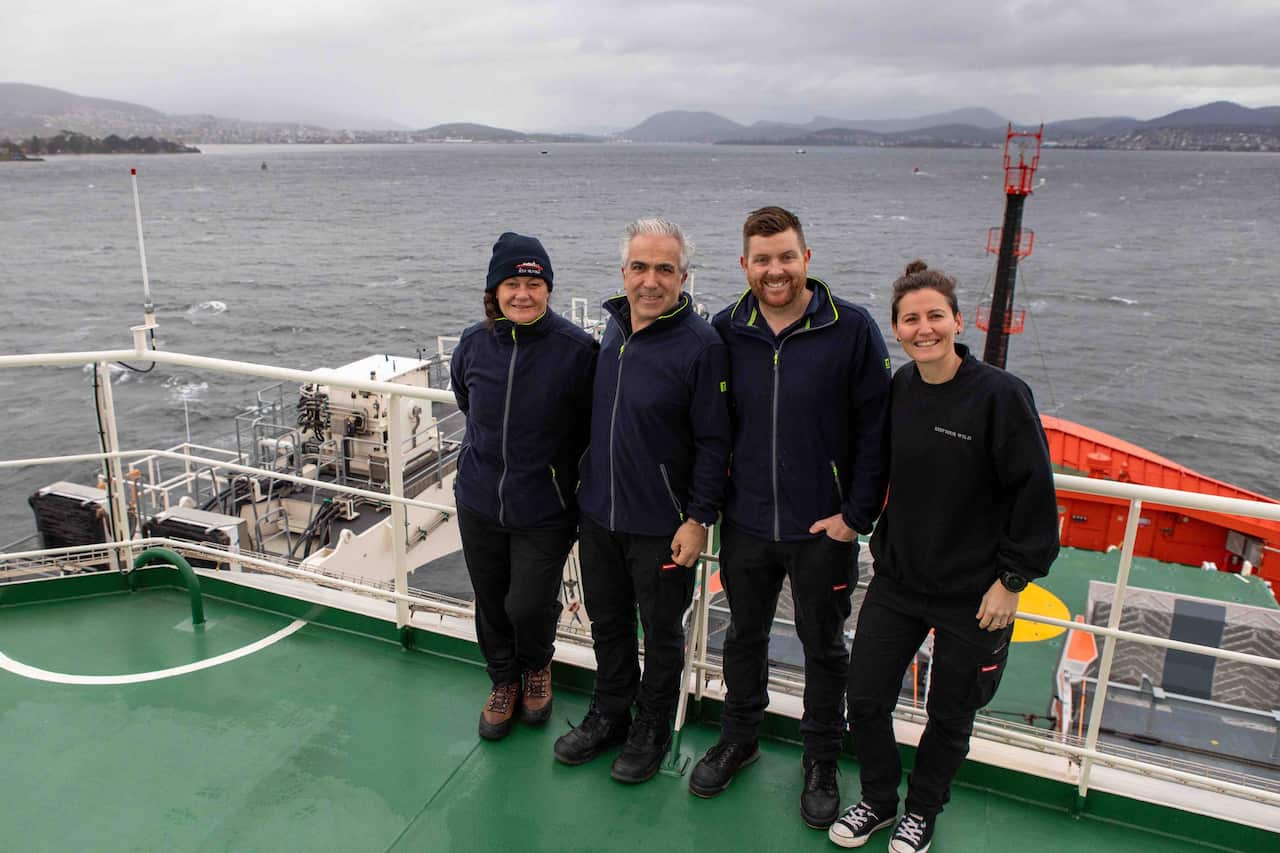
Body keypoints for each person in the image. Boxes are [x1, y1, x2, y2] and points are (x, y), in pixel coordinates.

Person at [829, 260, 1060, 851]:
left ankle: (922, 810)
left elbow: (1034, 493)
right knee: (865, 697)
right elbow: (871, 466)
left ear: (958, 321)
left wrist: (1011, 581)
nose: (924, 328)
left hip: (975, 593)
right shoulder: (900, 390)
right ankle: (880, 801)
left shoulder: (1002, 396)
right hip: (900, 579)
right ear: (897, 329)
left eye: (935, 316)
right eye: (911, 320)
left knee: (950, 712)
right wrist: (850, 519)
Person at [691, 206, 891, 829]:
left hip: (822, 528)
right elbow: (711, 427)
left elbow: (876, 430)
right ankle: (739, 737)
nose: (774, 270)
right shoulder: (726, 329)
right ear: (744, 264)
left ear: (806, 258)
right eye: (762, 259)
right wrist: (710, 506)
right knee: (743, 635)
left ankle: (821, 758)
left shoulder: (851, 328)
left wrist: (854, 516)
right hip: (746, 522)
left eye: (785, 257)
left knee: (823, 646)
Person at [553, 218, 732, 783]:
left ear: (684, 277)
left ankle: (651, 728)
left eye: (664, 269)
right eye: (639, 267)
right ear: (623, 272)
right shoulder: (612, 331)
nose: (650, 281)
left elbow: (714, 442)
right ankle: (610, 713)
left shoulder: (701, 346)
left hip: (662, 524)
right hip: (600, 514)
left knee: (660, 633)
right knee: (607, 622)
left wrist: (699, 518)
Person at [449, 232, 598, 741]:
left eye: (533, 284)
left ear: (548, 289)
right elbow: (466, 399)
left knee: (528, 603)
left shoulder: (577, 351)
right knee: (491, 599)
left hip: (545, 506)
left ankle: (537, 666)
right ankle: (504, 680)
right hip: (479, 498)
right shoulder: (473, 344)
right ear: (495, 291)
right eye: (511, 284)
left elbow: (588, 427)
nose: (523, 294)